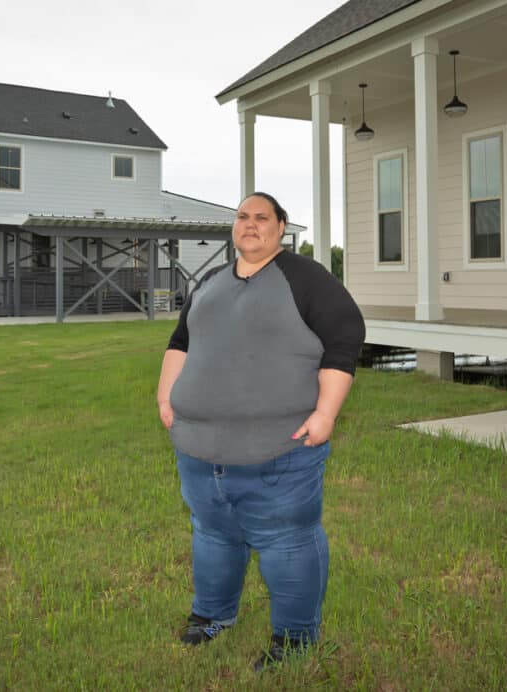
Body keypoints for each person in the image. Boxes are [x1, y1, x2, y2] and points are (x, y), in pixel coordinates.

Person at [156, 191, 366, 670]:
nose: (250, 224)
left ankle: (294, 640)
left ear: (281, 227)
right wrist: (166, 398)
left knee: (287, 542)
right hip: (199, 450)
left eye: (261, 217)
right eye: (242, 217)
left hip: (280, 450)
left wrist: (326, 414)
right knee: (212, 535)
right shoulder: (211, 281)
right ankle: (212, 616)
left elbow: (345, 334)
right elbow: (181, 339)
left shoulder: (304, 277)